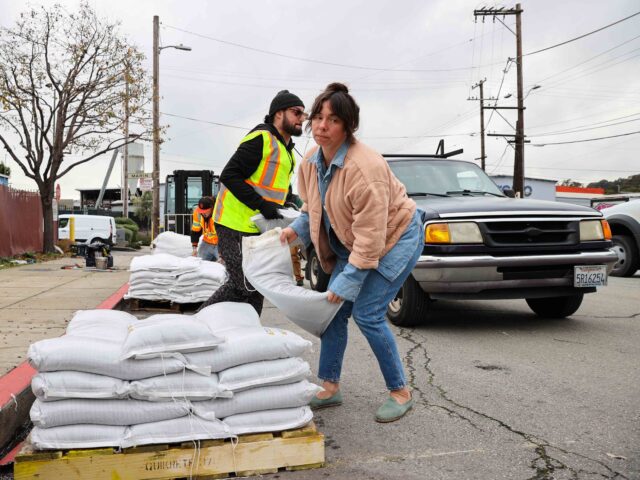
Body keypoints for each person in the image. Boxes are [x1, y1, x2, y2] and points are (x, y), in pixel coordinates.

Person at [280, 83, 423, 423]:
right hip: (353, 242)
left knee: (368, 313)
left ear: (348, 127)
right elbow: (312, 210)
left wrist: (347, 282)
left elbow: (371, 238)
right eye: (317, 117)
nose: (321, 126)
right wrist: (294, 231)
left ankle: (400, 392)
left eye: (332, 120)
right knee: (333, 314)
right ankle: (330, 387)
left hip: (396, 237)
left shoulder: (365, 168)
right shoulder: (311, 164)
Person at [199, 90, 306, 315]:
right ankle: (197, 320)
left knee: (255, 287)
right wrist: (262, 205)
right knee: (242, 285)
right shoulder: (262, 138)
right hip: (232, 224)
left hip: (258, 228)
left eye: (303, 114)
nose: (302, 118)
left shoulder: (286, 150)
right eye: (296, 112)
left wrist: (287, 205)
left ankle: (248, 333)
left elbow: (276, 188)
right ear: (279, 113)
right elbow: (229, 175)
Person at [190, 196, 219, 261]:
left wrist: (223, 251)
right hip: (206, 243)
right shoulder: (197, 214)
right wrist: (194, 248)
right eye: (201, 211)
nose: (203, 213)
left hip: (220, 243)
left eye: (205, 211)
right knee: (200, 263)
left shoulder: (218, 213)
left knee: (225, 265)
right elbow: (195, 231)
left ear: (211, 208)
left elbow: (225, 232)